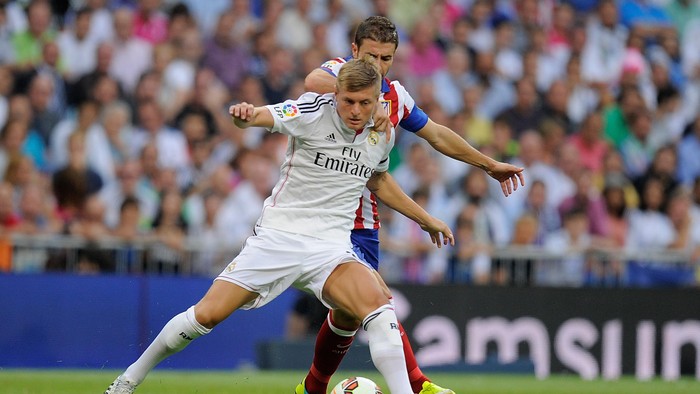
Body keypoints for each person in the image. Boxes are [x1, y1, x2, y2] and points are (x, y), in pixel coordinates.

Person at [104, 58, 454, 394]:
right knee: (205, 316)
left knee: (379, 308)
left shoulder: (383, 136)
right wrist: (246, 116)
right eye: (348, 101)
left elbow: (377, 179)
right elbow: (264, 115)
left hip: (330, 247)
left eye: (365, 103)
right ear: (336, 94)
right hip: (278, 237)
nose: (356, 110)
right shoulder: (311, 112)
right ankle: (128, 380)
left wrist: (425, 219)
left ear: (378, 100)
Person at [301, 15, 525, 394]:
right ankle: (418, 385)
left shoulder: (396, 96)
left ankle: (312, 387)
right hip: (323, 213)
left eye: (385, 58)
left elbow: (436, 134)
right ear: (354, 50)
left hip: (363, 219)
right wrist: (367, 104)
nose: (377, 66)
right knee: (377, 300)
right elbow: (313, 82)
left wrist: (488, 165)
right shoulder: (338, 72)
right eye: (370, 55)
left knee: (349, 314)